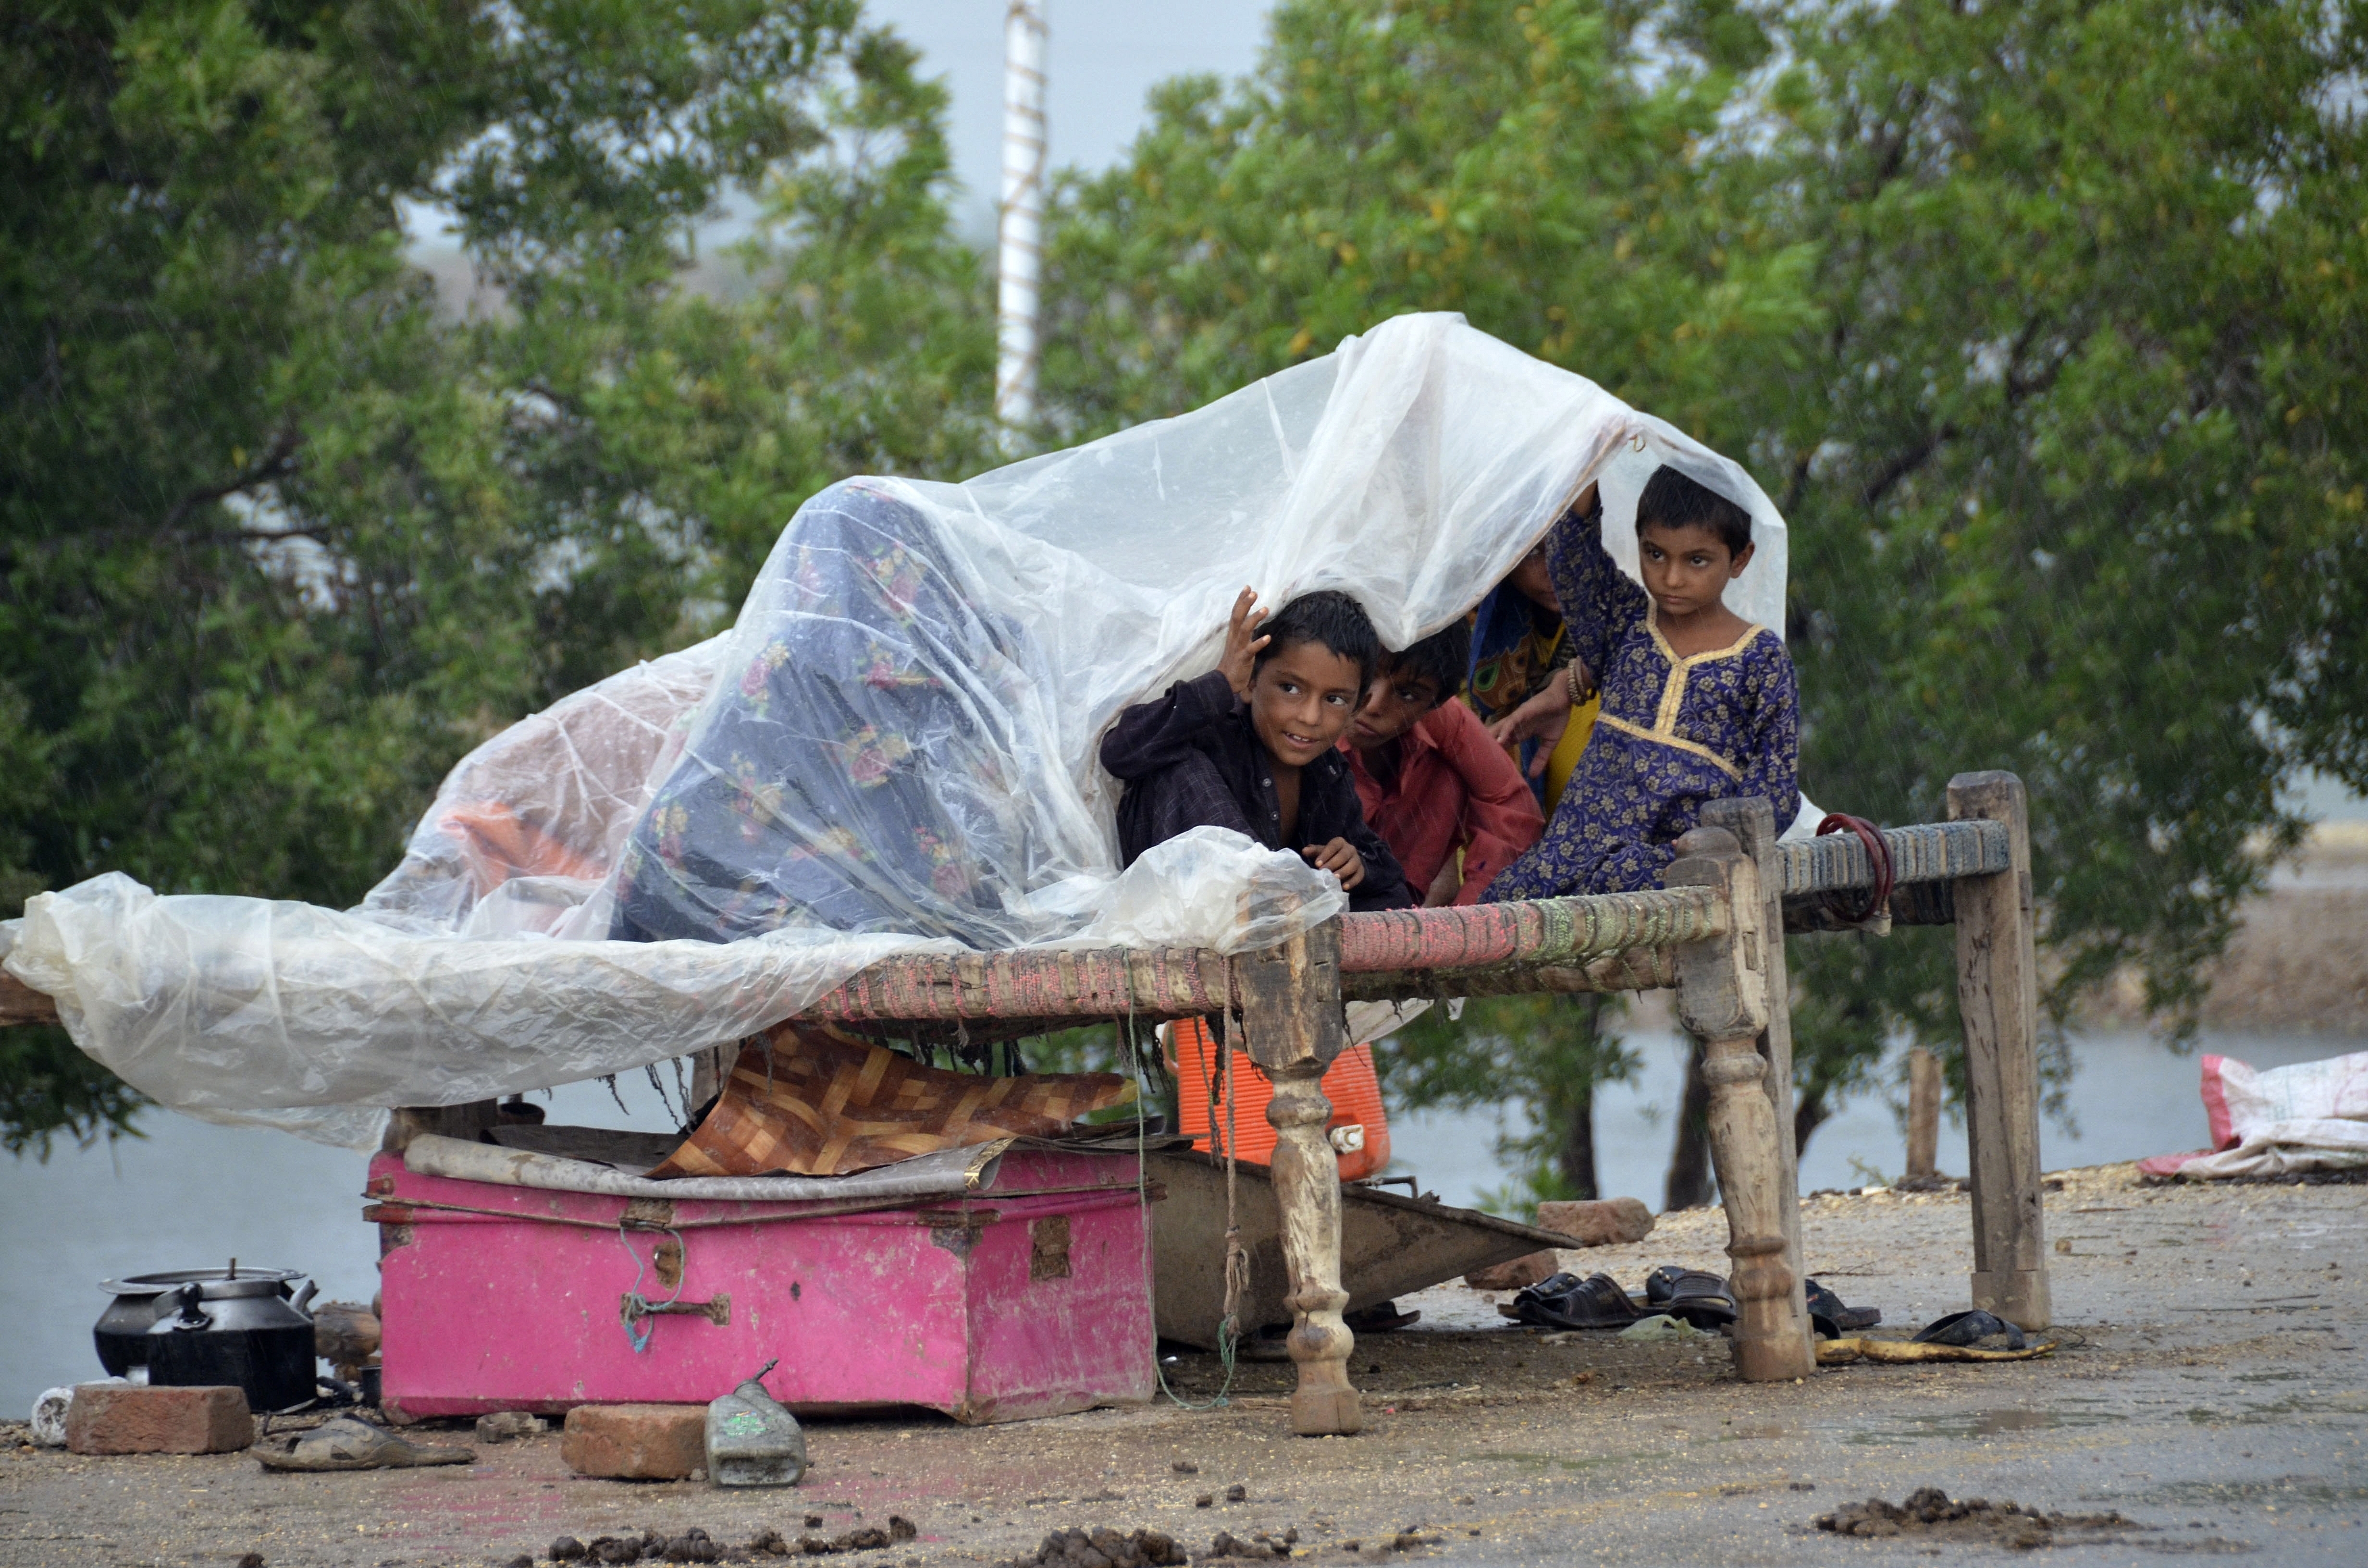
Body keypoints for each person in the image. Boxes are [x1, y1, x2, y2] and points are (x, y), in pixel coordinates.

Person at [1484, 466, 1799, 898]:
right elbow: (1573, 555)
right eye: (1655, 554)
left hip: (1677, 868)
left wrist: (1717, 849)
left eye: (1697, 560)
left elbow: (1774, 787)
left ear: (1740, 559)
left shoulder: (1762, 659)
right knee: (1500, 907)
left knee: (1625, 888)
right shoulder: (1623, 620)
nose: (1671, 578)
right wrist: (1593, 450)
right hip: (1571, 857)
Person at [1100, 588, 1412, 911]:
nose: (1310, 717)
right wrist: (1221, 683)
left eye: (1334, 699)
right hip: (1179, 912)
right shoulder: (1211, 736)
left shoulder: (1328, 773)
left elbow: (1392, 886)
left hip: (1275, 925)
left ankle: (1272, 903)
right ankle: (1265, 898)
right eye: (1290, 688)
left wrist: (1356, 864)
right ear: (1251, 682)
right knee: (1180, 767)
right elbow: (1119, 752)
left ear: (1356, 708)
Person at [1341, 622, 1544, 906]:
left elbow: (1513, 807)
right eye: (1367, 674)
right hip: (1313, 893)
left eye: (1407, 694)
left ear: (1435, 703)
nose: (1373, 705)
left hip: (1402, 901)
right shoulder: (1307, 717)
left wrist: (1467, 913)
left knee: (1452, 769)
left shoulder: (1440, 712)